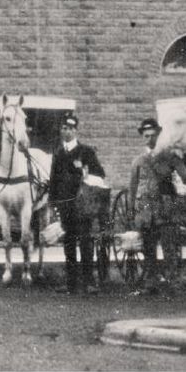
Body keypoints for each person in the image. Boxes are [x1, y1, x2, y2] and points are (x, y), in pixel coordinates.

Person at [127, 117, 186, 294]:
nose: (149, 139)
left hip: (165, 208)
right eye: (146, 136)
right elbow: (132, 187)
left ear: (158, 136)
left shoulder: (169, 157)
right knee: (148, 247)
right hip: (145, 210)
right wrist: (131, 210)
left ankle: (173, 281)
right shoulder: (138, 161)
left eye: (153, 135)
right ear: (142, 137)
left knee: (169, 246)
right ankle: (151, 282)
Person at [48, 112, 105, 295]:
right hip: (65, 205)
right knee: (69, 242)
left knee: (85, 241)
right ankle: (71, 282)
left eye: (71, 128)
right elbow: (53, 180)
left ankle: (88, 281)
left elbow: (100, 174)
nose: (67, 132)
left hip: (82, 204)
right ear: (60, 130)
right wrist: (52, 203)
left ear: (76, 130)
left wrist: (86, 173)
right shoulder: (58, 153)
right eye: (64, 128)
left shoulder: (86, 152)